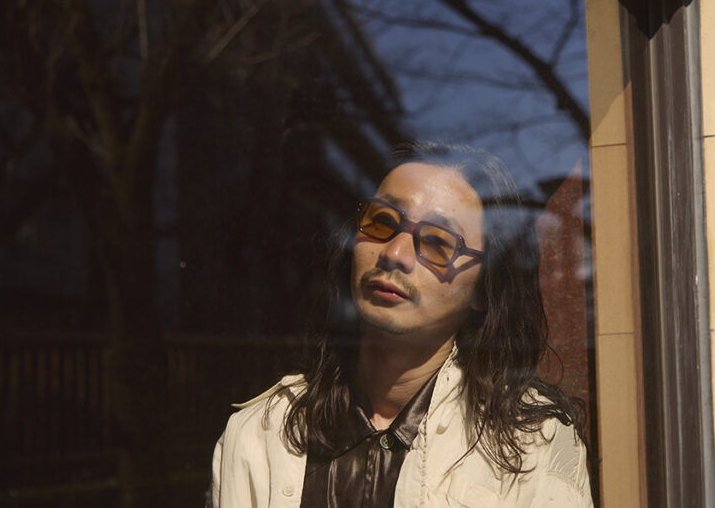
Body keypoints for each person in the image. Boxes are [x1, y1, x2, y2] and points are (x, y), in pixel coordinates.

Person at [208, 142, 593, 507]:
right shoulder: (260, 434)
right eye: (381, 222)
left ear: (482, 290)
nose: (394, 253)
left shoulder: (533, 442)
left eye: (438, 242)